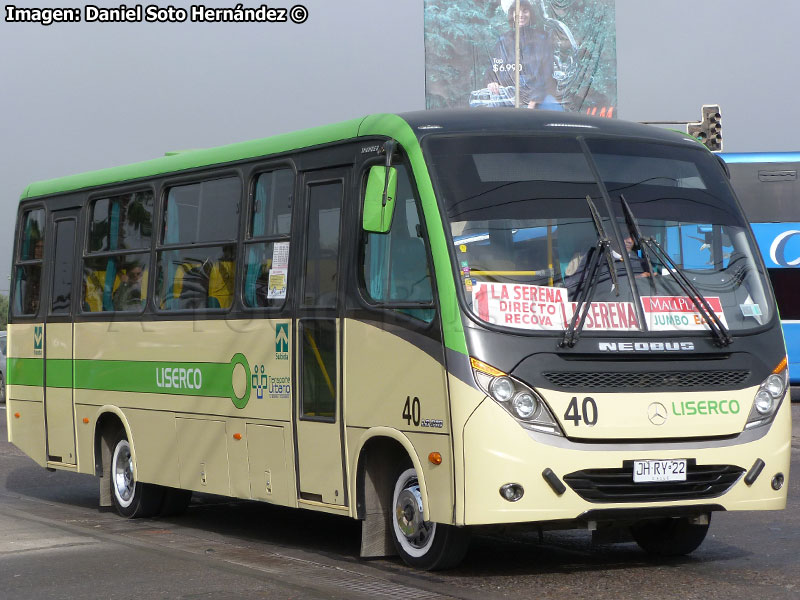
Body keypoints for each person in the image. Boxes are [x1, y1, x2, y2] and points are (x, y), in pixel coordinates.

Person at [485, 0, 562, 110]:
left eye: (525, 11)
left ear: (530, 14)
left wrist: (535, 100)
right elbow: (493, 67)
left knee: (556, 113)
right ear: (512, 15)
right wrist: (492, 82)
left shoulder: (542, 38)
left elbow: (547, 74)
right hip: (509, 99)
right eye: (517, 11)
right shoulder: (503, 41)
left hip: (539, 98)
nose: (521, 15)